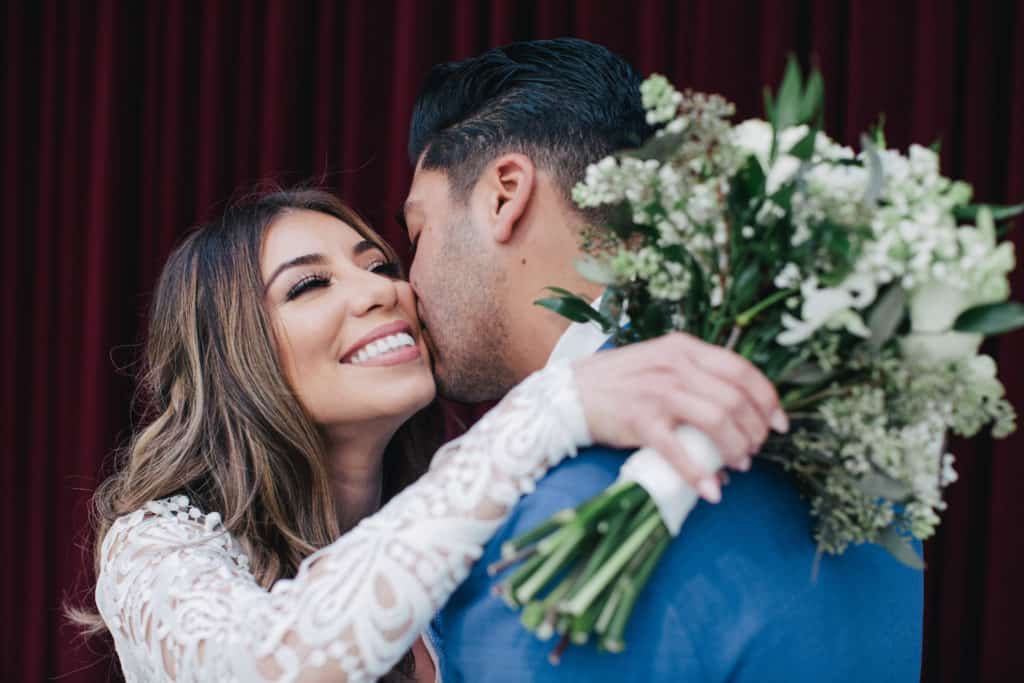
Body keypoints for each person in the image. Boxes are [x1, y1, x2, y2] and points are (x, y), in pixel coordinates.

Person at [75, 189, 774, 682]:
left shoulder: (477, 542)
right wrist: (548, 410)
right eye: (308, 286)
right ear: (231, 357)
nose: (385, 291)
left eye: (379, 264)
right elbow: (265, 663)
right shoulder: (154, 546)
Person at [403, 38, 924, 681]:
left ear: (504, 194)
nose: (407, 284)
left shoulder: (551, 522)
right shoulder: (846, 446)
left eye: (417, 232)